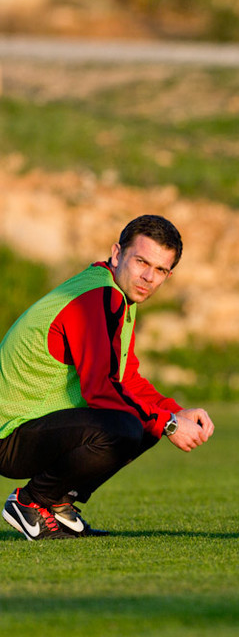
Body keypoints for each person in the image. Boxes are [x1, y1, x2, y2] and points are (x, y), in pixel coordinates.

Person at [0, 214, 214, 540]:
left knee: (143, 420)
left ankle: (58, 505)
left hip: (31, 429)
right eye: (141, 261)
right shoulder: (96, 298)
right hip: (9, 436)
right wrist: (168, 424)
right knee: (129, 425)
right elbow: (101, 390)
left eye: (160, 270)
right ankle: (30, 503)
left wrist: (173, 411)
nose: (148, 277)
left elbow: (126, 378)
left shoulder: (116, 294)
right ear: (117, 254)